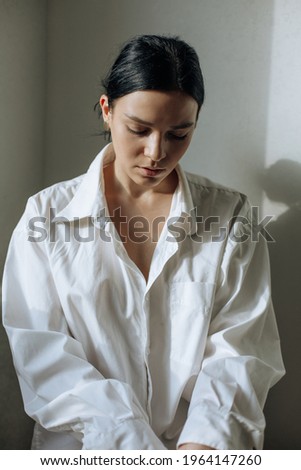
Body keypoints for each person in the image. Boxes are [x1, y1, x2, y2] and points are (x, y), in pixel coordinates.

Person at [2, 34, 284, 450]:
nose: (156, 152)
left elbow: (240, 351)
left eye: (178, 134)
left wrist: (202, 448)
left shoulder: (231, 217)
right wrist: (132, 448)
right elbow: (43, 356)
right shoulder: (46, 218)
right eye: (139, 129)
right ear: (106, 111)